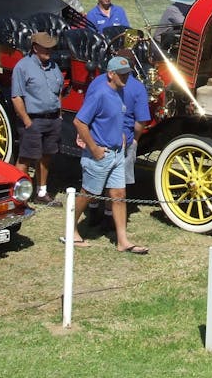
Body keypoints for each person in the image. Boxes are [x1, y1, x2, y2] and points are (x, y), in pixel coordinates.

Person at [70, 56, 148, 254]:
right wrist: (94, 149)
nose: (126, 78)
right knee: (89, 193)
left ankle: (123, 240)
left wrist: (120, 134)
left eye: (128, 74)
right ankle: (70, 229)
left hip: (117, 154)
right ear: (110, 74)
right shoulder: (100, 94)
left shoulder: (119, 93)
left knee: (119, 195)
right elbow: (80, 122)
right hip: (100, 154)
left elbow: (116, 117)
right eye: (122, 75)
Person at [11, 32, 64, 207]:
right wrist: (27, 121)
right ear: (35, 48)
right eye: (46, 47)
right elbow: (16, 97)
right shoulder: (22, 67)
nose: (49, 51)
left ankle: (41, 192)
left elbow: (59, 92)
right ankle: (21, 196)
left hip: (52, 120)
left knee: (46, 156)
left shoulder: (54, 66)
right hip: (33, 120)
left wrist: (60, 114)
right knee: (26, 157)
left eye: (51, 47)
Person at [100, 63, 151, 229]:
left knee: (98, 177)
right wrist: (136, 139)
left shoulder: (99, 82)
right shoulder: (137, 87)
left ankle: (96, 210)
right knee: (118, 182)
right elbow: (141, 120)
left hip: (102, 135)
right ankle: (109, 216)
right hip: (122, 139)